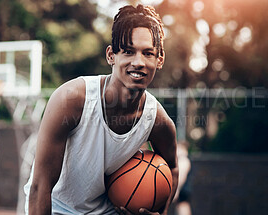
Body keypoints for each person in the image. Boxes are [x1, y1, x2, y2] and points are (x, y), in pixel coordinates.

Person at [24, 4, 178, 215]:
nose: (138, 62)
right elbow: (40, 186)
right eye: (128, 51)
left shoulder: (158, 121)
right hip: (57, 208)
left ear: (159, 59)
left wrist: (161, 211)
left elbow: (172, 167)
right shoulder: (72, 100)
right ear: (111, 55)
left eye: (148, 53)